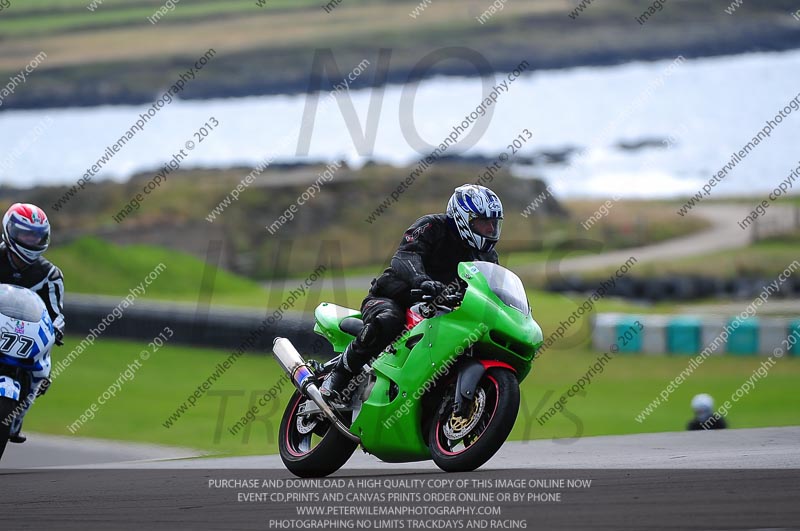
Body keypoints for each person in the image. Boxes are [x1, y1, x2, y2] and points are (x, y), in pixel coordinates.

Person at [320, 184, 503, 402]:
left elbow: (492, 290)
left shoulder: (487, 258)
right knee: (389, 320)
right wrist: (422, 280)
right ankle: (338, 376)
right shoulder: (431, 226)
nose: (491, 230)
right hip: (391, 298)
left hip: (438, 312)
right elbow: (405, 256)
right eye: (484, 223)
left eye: (494, 223)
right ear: (464, 218)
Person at [0, 203, 65, 443]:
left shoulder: (50, 275)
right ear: (9, 231)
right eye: (25, 233)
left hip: (25, 333)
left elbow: (56, 312)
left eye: (36, 235)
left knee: (42, 372)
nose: (30, 239)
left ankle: (16, 419)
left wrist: (57, 330)